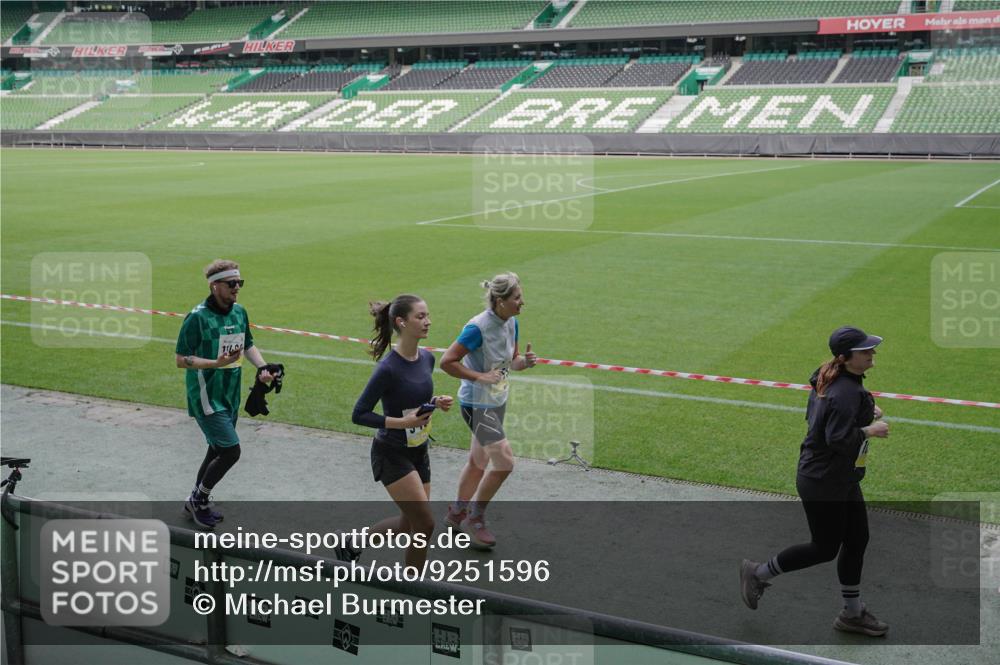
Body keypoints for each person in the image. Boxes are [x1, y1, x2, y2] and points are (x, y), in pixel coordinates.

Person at [740, 326, 891, 637]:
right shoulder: (844, 390)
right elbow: (837, 438)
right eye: (865, 351)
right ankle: (757, 572)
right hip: (824, 481)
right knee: (824, 547)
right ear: (845, 357)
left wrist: (864, 410)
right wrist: (869, 429)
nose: (872, 353)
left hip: (839, 476)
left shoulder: (833, 376)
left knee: (857, 539)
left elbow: (829, 414)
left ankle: (852, 614)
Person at [352, 295, 453, 570]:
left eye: (427, 315)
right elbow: (358, 414)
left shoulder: (427, 359)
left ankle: (352, 543)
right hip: (391, 454)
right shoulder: (388, 368)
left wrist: (434, 403)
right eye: (420, 316)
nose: (428, 321)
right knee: (425, 524)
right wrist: (400, 424)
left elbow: (411, 402)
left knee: (409, 523)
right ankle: (412, 591)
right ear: (401, 322)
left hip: (419, 451)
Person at [175, 260, 275, 530]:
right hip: (206, 396)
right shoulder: (197, 317)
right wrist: (214, 364)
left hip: (231, 394)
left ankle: (195, 500)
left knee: (217, 448)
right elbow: (181, 359)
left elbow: (248, 345)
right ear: (214, 286)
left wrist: (263, 367)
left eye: (239, 283)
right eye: (231, 284)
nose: (236, 288)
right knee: (231, 451)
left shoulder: (239, 312)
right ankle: (199, 498)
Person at [441, 272, 537, 549]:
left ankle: (456, 513)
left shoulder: (511, 322)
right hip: (477, 404)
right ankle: (475, 517)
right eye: (517, 298)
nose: (522, 302)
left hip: (497, 400)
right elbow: (448, 361)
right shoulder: (477, 328)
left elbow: (512, 361)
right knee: (505, 463)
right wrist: (480, 377)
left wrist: (524, 362)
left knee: (478, 462)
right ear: (499, 300)